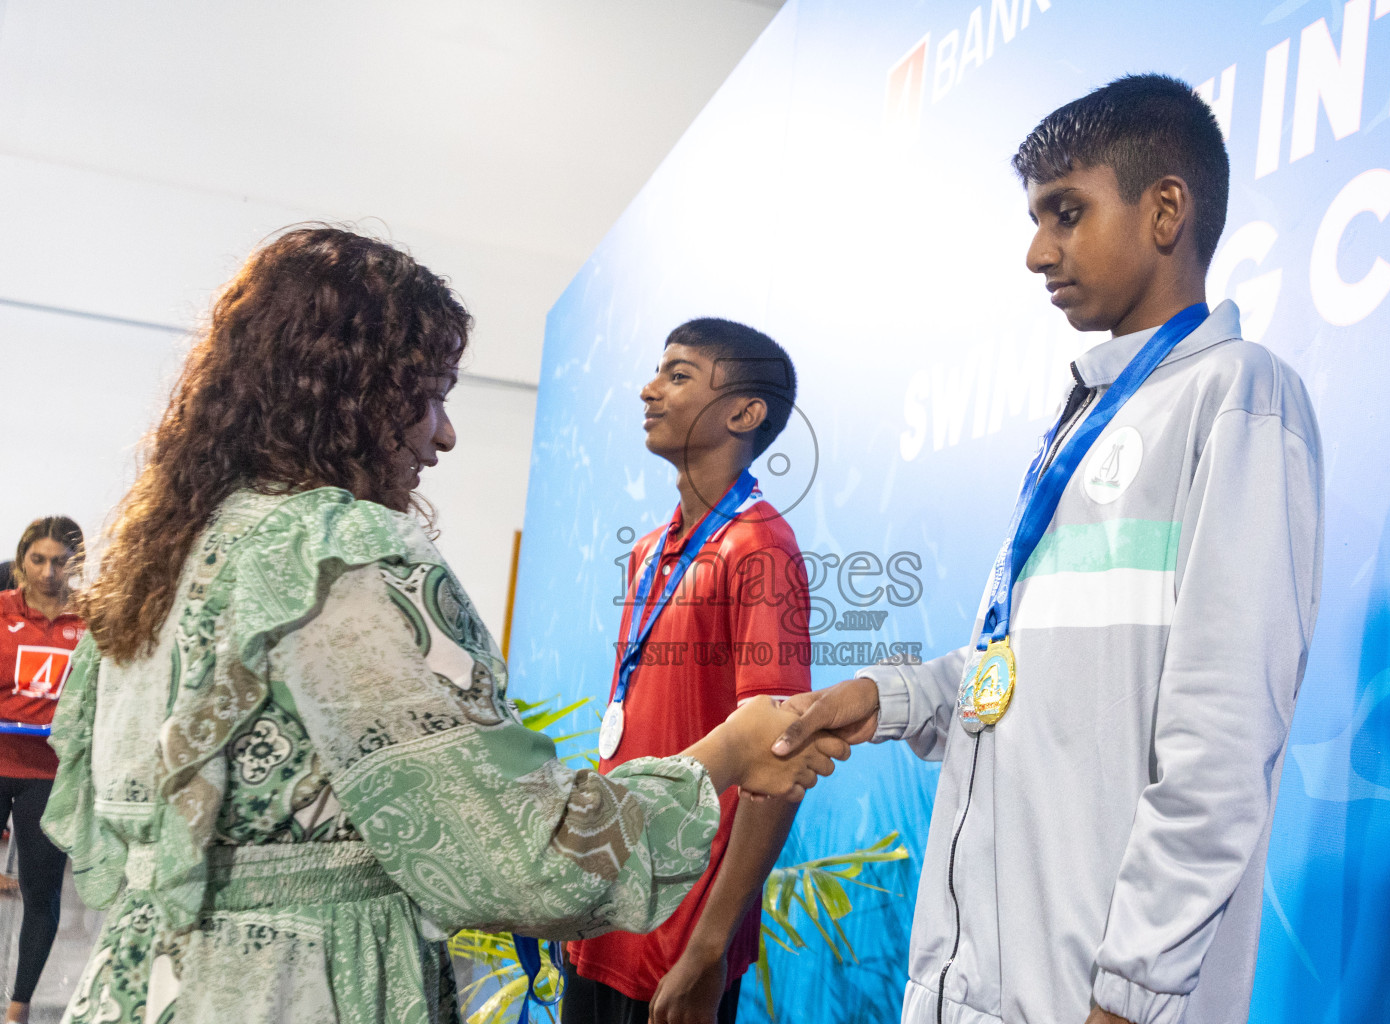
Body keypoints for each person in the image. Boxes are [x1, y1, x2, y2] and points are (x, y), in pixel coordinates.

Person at [40, 227, 848, 1024]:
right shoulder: (342, 556)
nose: (447, 432)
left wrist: (709, 943)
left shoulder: (169, 549)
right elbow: (518, 857)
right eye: (431, 395)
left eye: (679, 374)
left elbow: (779, 742)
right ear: (353, 395)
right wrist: (727, 754)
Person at [774, 75, 1324, 1024]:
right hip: (973, 992)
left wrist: (1134, 994)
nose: (1037, 252)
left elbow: (1222, 742)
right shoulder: (1087, 421)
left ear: (1165, 211)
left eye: (1066, 213)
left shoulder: (1237, 396)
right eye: (1036, 219)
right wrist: (889, 700)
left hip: (1092, 1006)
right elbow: (1021, 680)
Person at [563, 320, 811, 1024]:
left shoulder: (759, 547)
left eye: (677, 375)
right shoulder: (647, 552)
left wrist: (708, 948)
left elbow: (779, 762)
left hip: (676, 939)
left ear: (743, 412)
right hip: (605, 913)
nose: (649, 390)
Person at [0, 517, 85, 1023]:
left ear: (76, 565)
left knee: (41, 891)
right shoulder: (1, 610)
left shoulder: (96, 621)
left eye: (60, 561)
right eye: (38, 559)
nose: (49, 571)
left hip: (51, 774)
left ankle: (18, 1007)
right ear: (22, 559)